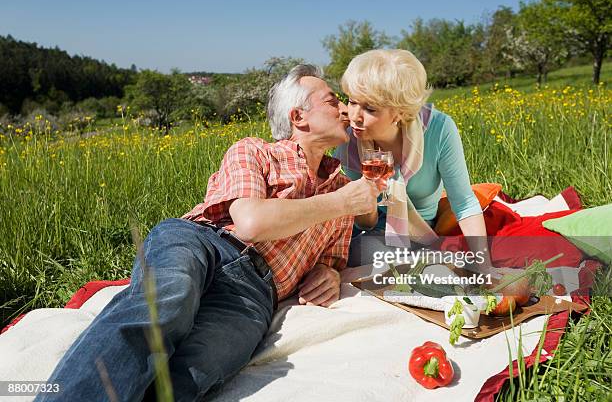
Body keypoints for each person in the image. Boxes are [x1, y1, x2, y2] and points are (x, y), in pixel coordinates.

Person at [36, 65, 381, 402]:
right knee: (169, 298)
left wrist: (329, 273)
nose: (345, 110)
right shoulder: (255, 150)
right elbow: (251, 223)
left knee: (201, 364)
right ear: (298, 117)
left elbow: (332, 260)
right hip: (205, 242)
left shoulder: (342, 190)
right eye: (332, 100)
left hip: (255, 295)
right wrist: (338, 202)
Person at [334, 49, 491, 268]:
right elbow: (365, 223)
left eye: (370, 109)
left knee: (371, 256)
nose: (355, 117)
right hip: (371, 230)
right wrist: (367, 196)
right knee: (361, 252)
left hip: (420, 229)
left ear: (399, 112)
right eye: (352, 102)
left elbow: (464, 203)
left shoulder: (439, 129)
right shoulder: (349, 141)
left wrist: (484, 264)